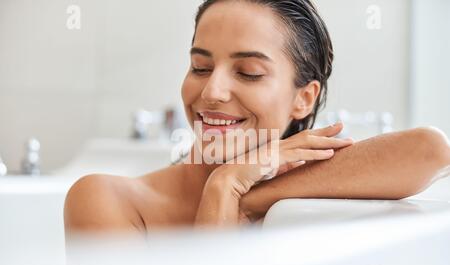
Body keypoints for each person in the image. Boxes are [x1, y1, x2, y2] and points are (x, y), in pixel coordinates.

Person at [64, 0, 450, 235]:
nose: (211, 92)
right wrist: (222, 189)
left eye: (248, 72)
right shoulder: (108, 200)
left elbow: (430, 150)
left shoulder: (306, 186)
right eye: (200, 67)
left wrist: (247, 193)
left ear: (304, 98)